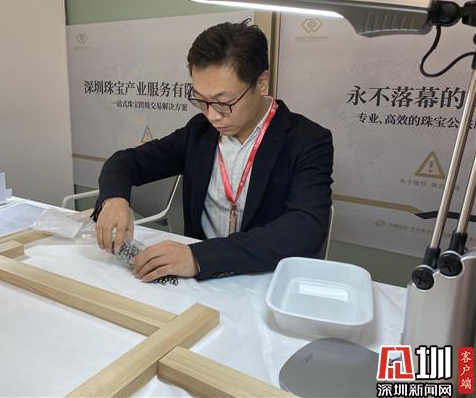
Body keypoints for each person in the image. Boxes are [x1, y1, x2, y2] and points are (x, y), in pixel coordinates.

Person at [93, 19, 333, 282]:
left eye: (223, 102)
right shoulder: (200, 132)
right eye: (201, 100)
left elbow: (305, 228)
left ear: (261, 82)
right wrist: (114, 199)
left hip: (262, 280)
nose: (212, 115)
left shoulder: (307, 140)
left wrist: (200, 257)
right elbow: (125, 162)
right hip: (197, 284)